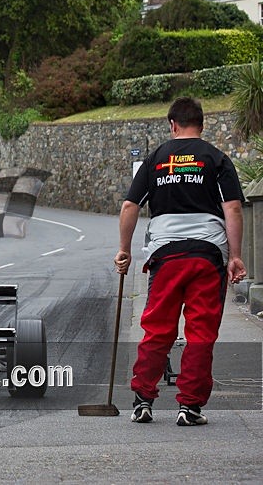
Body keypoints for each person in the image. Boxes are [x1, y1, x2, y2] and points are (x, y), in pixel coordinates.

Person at [114, 97, 246, 427]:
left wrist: (124, 250)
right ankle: (189, 407)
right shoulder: (216, 158)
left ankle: (142, 400)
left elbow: (130, 206)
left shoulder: (156, 158)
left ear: (173, 125)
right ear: (201, 124)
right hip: (206, 257)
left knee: (157, 328)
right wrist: (236, 256)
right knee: (201, 332)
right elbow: (232, 208)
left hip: (165, 256)